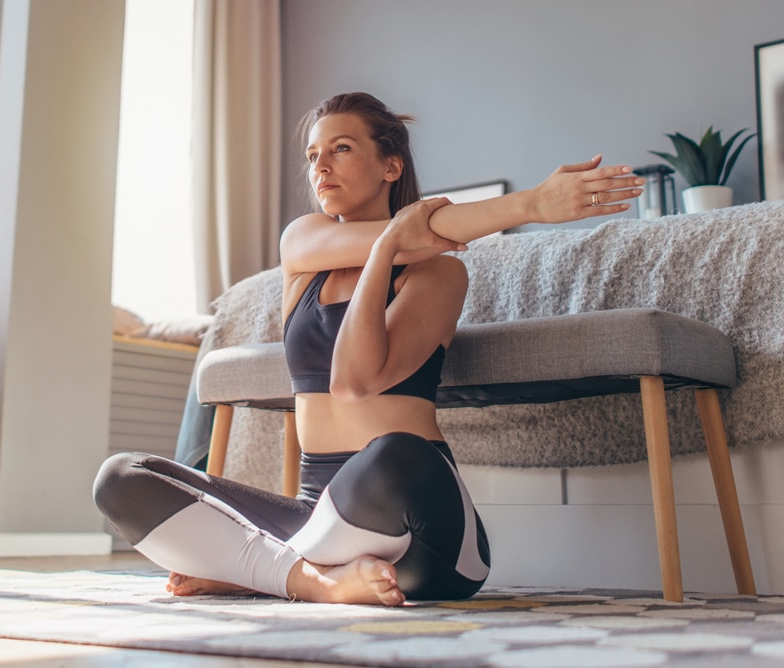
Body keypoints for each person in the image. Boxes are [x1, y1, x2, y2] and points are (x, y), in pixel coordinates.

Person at [93, 92, 644, 606]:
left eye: (341, 148)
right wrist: (519, 207)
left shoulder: (439, 274)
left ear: (391, 165)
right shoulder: (302, 243)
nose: (320, 167)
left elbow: (353, 382)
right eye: (313, 155)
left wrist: (386, 252)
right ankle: (313, 580)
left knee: (395, 451)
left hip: (415, 522)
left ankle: (258, 569)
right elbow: (417, 230)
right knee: (122, 476)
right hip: (316, 512)